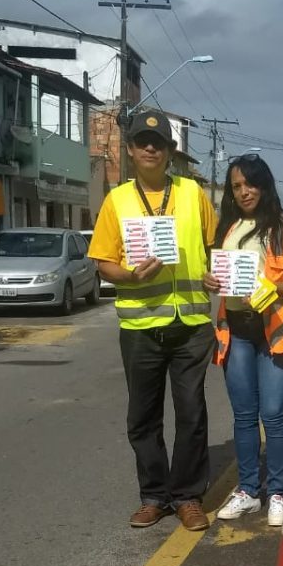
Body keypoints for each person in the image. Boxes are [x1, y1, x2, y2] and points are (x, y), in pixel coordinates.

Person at [88, 109, 217, 532]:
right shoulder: (117, 200)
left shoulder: (193, 193)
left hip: (192, 323)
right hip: (141, 326)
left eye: (158, 143)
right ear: (130, 149)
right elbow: (104, 262)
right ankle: (154, 496)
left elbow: (215, 247)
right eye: (142, 142)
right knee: (143, 417)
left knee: (192, 414)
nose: (150, 148)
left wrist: (217, 274)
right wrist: (129, 276)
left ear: (169, 151)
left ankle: (188, 497)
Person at [207, 154, 283, 527]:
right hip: (236, 329)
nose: (244, 191)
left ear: (264, 185)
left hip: (274, 329)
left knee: (273, 415)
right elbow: (217, 274)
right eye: (236, 186)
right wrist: (209, 280)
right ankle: (249, 490)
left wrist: (270, 290)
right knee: (244, 415)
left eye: (250, 183)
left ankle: (278, 491)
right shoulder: (227, 227)